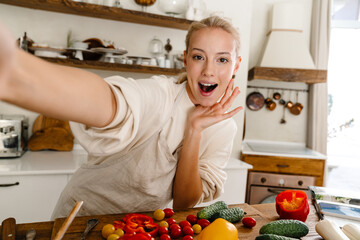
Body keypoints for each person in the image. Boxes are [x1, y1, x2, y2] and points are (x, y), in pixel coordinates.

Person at [0, 15, 242, 218]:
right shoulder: (161, 94)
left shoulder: (224, 130)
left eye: (222, 59)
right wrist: (15, 73)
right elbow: (113, 102)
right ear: (185, 59)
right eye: (199, 57)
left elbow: (183, 203)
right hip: (81, 218)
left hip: (139, 227)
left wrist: (194, 131)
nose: (209, 70)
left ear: (236, 65)